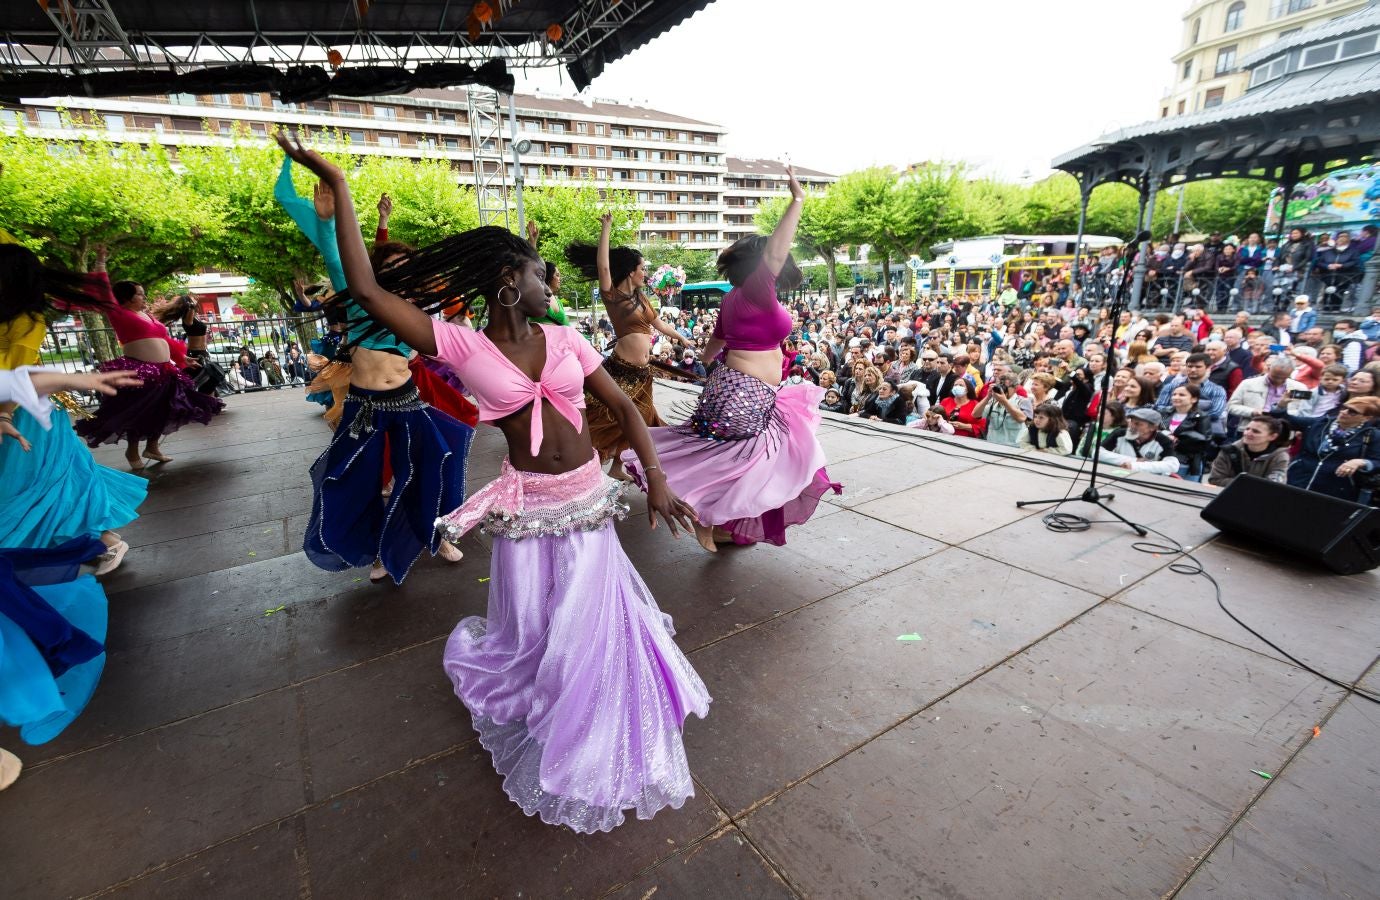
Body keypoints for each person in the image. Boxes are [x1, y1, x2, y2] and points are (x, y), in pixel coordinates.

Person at [275, 132, 709, 835]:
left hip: (588, 499)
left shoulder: (566, 339)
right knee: (538, 625)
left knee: (591, 622)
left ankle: (591, 716)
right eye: (541, 277)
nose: (552, 288)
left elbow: (626, 406)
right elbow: (365, 287)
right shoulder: (462, 345)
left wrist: (654, 479)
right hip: (530, 506)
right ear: (511, 283)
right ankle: (550, 694)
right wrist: (336, 184)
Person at [619, 165, 841, 552]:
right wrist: (798, 200)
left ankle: (715, 523)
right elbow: (775, 252)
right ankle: (707, 518)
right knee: (749, 460)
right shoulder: (755, 290)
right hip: (744, 392)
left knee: (734, 456)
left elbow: (712, 349)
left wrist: (705, 372)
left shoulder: (732, 299)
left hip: (733, 388)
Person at [275, 154, 474, 583]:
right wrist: (328, 224)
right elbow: (336, 257)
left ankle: (436, 535)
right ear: (376, 274)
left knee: (424, 473)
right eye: (390, 268)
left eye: (406, 269)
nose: (399, 274)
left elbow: (456, 341)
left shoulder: (417, 313)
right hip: (364, 406)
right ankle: (382, 552)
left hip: (406, 402)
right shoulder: (360, 301)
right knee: (363, 482)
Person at [74, 249, 225, 470]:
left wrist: (183, 359)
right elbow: (104, 292)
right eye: (140, 294)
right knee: (139, 412)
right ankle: (132, 451)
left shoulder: (147, 316)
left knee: (164, 410)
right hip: (139, 371)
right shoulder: (118, 313)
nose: (144, 297)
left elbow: (165, 340)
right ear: (126, 297)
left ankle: (152, 448)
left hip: (164, 371)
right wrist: (100, 262)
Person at [565, 215, 690, 480]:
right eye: (642, 268)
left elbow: (658, 324)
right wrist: (606, 229)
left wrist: (681, 338)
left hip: (643, 374)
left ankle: (617, 467)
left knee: (640, 422)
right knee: (606, 418)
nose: (645, 272)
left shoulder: (642, 298)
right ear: (631, 271)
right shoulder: (613, 295)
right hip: (621, 371)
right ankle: (584, 467)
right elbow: (603, 267)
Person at [1271, 398, 1380, 503]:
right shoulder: (1321, 422)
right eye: (1344, 408)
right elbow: (1285, 420)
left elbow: (1377, 462)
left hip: (1336, 490)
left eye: (1352, 412)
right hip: (1297, 479)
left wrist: (1360, 462)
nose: (1344, 412)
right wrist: (1281, 405)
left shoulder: (1372, 435)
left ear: (1366, 418)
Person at [1207, 415, 1291, 487]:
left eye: (1256, 431)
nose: (1248, 433)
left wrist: (1243, 484)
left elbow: (1275, 485)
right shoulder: (1228, 450)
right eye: (1247, 429)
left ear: (1272, 437)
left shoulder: (1280, 456)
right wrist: (1251, 485)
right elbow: (1215, 479)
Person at [1097, 407, 1180, 476]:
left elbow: (1173, 465)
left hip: (1148, 481)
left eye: (1137, 424)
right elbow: (1097, 453)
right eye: (1131, 422)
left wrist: (1136, 466)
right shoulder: (1120, 433)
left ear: (1153, 427)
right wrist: (1134, 460)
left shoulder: (1163, 440)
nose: (1132, 426)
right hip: (1119, 475)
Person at [1164, 383, 1212, 481]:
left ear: (1194, 399)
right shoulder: (1165, 412)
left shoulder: (1201, 416)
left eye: (1182, 395)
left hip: (1186, 461)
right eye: (1174, 394)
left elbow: (1205, 441)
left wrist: (1179, 438)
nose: (1176, 397)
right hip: (1164, 458)